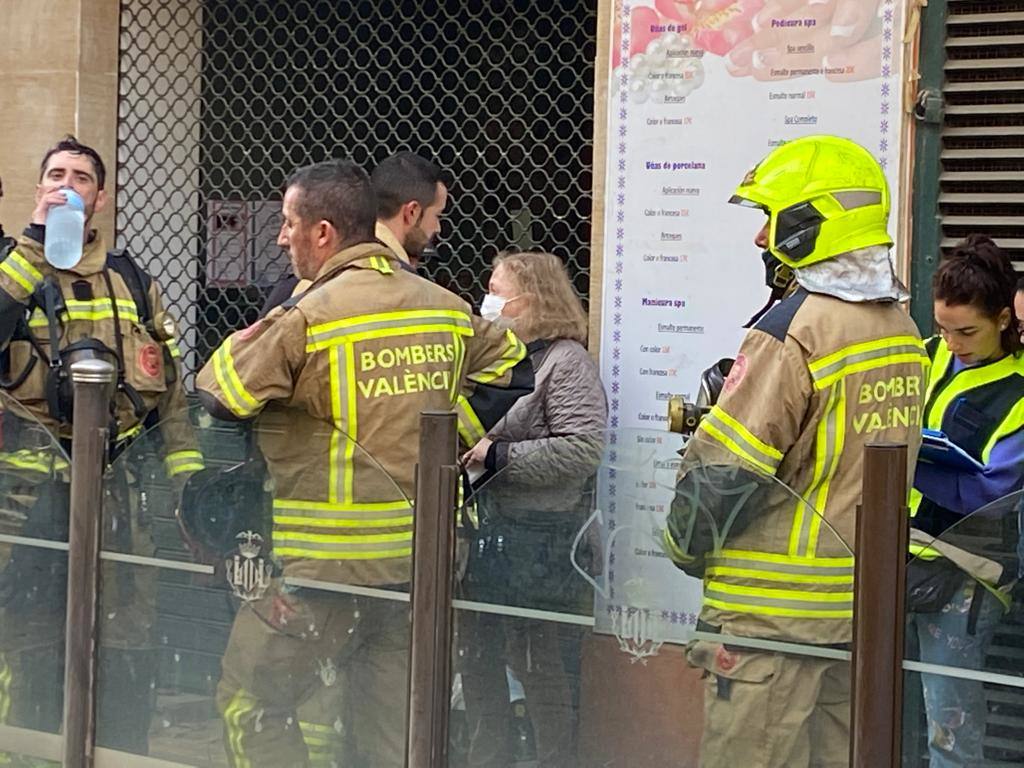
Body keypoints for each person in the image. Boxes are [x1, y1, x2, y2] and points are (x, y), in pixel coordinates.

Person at [195, 159, 533, 767]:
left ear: (323, 234)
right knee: (394, 737)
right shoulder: (445, 307)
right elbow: (514, 368)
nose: (279, 237)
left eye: (287, 223)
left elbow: (222, 395)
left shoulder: (306, 316)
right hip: (419, 567)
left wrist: (258, 331)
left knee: (250, 704)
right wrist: (448, 438)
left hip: (323, 571)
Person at [662, 135, 929, 768]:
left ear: (810, 224)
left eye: (769, 218)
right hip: (855, 617)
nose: (760, 238)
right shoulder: (901, 329)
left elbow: (725, 474)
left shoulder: (793, 332)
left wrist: (679, 546)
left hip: (768, 631)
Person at [0, 136, 203, 753]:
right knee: (29, 655)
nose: (67, 184)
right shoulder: (11, 266)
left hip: (120, 505)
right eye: (55, 174)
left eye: (81, 177)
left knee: (121, 657)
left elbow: (170, 395)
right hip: (24, 512)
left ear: (100, 197)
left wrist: (187, 489)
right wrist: (34, 244)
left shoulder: (133, 281)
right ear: (38, 190)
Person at [459, 251, 607, 768]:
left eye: (498, 290)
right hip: (489, 532)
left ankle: (552, 758)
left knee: (538, 661)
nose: (489, 300)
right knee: (476, 658)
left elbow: (583, 449)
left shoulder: (564, 362)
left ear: (533, 299)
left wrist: (498, 456)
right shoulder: (495, 360)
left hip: (541, 538)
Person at [906, 234, 1024, 768]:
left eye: (967, 331)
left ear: (1003, 318)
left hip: (968, 576)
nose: (951, 342)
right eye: (943, 328)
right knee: (881, 709)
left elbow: (990, 491)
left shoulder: (1019, 390)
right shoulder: (925, 357)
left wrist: (906, 467)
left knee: (950, 731)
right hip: (900, 555)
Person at [259, 150, 447, 315]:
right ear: (412, 212)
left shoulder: (293, 289)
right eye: (437, 215)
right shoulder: (421, 296)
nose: (437, 228)